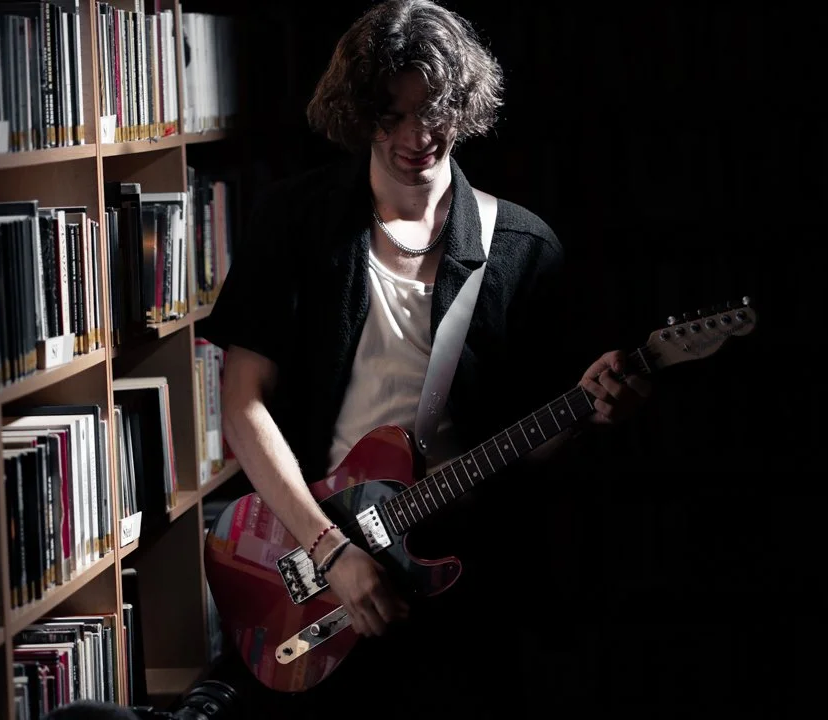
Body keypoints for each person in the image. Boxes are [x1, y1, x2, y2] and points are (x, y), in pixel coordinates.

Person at [202, 0, 651, 717]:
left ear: (465, 104)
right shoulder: (295, 220)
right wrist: (329, 552)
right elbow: (242, 401)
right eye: (392, 114)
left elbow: (537, 441)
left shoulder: (524, 249)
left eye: (435, 111)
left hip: (461, 578)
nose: (418, 135)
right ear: (359, 113)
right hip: (309, 553)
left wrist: (592, 410)